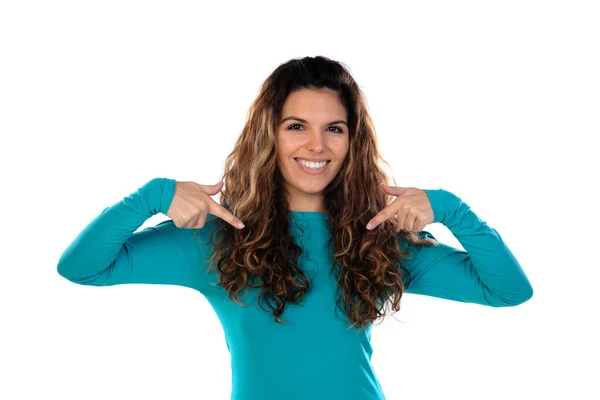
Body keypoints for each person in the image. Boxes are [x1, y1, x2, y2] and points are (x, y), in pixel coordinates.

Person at [56, 55, 533, 400]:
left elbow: (508, 290)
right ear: (271, 135)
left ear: (352, 141)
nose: (316, 145)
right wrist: (153, 196)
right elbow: (83, 268)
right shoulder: (219, 237)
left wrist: (452, 210)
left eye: (335, 128)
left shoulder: (379, 239)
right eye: (296, 126)